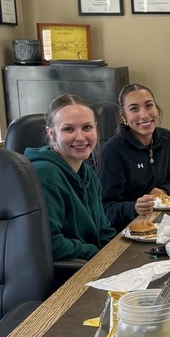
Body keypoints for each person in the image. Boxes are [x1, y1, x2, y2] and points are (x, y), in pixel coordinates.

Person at [25, 94, 118, 261]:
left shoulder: (87, 172)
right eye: (69, 129)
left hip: (92, 264)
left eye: (87, 127)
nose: (81, 137)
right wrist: (97, 254)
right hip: (68, 275)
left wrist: (116, 255)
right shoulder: (46, 175)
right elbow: (49, 243)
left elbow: (103, 230)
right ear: (51, 133)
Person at [98, 83, 170, 230]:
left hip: (167, 222)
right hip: (129, 231)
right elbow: (104, 208)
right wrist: (134, 207)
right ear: (123, 116)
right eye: (134, 109)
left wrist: (165, 191)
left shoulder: (167, 138)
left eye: (149, 105)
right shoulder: (112, 151)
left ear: (156, 109)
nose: (144, 114)